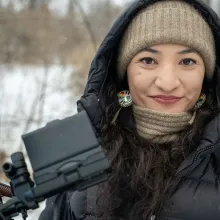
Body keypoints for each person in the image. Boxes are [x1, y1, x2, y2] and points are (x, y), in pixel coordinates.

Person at [39, 0, 220, 219]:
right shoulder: (79, 147)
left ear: (207, 75)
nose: (168, 82)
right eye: (148, 60)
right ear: (125, 72)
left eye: (187, 61)